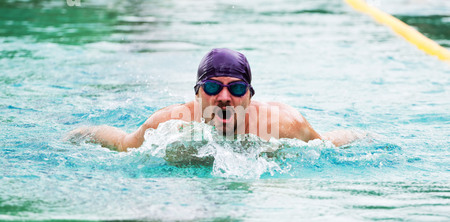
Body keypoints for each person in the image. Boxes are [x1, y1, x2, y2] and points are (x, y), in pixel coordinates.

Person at [66, 48, 363, 151]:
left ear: (249, 96)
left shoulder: (283, 124)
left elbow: (325, 145)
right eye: (212, 87)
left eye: (235, 89)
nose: (223, 98)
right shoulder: (169, 124)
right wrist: (81, 133)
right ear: (197, 93)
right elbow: (122, 143)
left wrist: (362, 136)